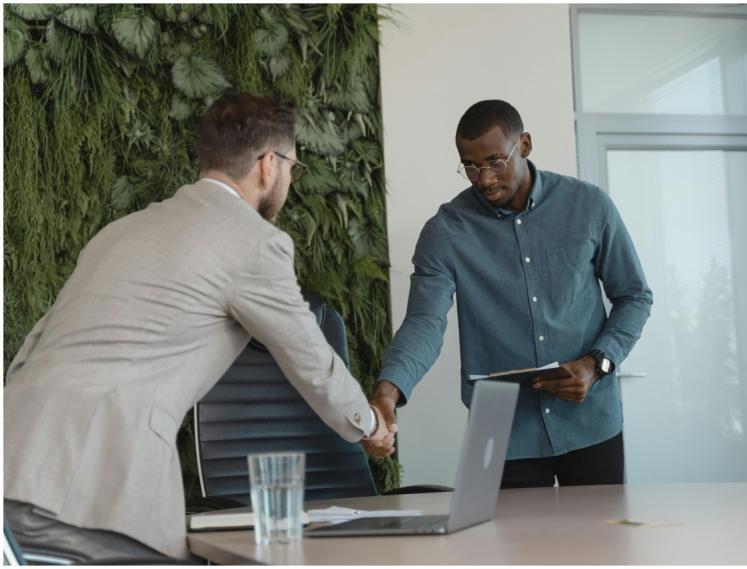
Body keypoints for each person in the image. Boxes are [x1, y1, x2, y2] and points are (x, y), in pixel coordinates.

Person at [4, 92, 396, 562]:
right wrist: (371, 424)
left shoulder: (119, 231)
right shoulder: (255, 243)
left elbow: (32, 347)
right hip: (91, 491)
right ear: (268, 164)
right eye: (293, 166)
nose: (290, 179)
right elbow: (311, 360)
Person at [362, 100, 651, 488]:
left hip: (591, 422)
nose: (484, 179)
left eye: (496, 161)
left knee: (600, 546)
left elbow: (634, 296)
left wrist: (598, 364)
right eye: (470, 165)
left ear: (525, 145)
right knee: (505, 550)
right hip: (499, 430)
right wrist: (386, 395)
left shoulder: (589, 205)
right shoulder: (446, 232)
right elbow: (424, 324)